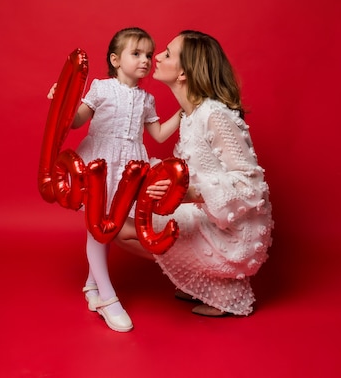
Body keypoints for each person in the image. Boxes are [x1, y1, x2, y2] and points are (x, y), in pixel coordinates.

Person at [116, 30, 273, 317]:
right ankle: (205, 280)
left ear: (184, 73)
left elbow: (251, 184)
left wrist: (188, 194)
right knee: (120, 219)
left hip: (234, 232)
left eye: (166, 53)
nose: (157, 58)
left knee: (124, 230)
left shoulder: (214, 115)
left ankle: (223, 286)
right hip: (206, 213)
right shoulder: (191, 114)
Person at [50, 27, 181, 332]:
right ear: (115, 59)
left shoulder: (147, 99)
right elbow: (77, 120)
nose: (146, 60)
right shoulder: (101, 88)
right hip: (99, 163)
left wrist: (185, 114)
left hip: (130, 166)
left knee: (110, 225)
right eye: (136, 54)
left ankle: (91, 287)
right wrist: (64, 99)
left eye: (149, 54)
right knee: (98, 228)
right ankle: (107, 298)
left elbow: (158, 133)